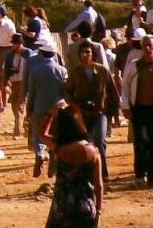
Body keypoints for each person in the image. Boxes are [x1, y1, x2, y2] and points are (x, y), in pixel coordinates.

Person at [42, 102, 103, 228]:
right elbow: (99, 185)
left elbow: (42, 134)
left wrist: (50, 114)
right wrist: (98, 211)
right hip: (85, 206)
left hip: (62, 207)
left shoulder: (60, 149)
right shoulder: (94, 152)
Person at [64, 39, 117, 181]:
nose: (85, 55)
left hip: (100, 112)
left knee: (100, 140)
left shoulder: (102, 70)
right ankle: (87, 173)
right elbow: (67, 91)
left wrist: (113, 113)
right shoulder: (76, 72)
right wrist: (73, 104)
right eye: (82, 52)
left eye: (87, 52)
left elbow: (112, 91)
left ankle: (103, 173)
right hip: (82, 113)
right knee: (85, 142)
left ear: (93, 54)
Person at [26, 37, 68, 179]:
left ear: (41, 53)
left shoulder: (35, 70)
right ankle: (52, 169)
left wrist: (29, 110)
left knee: (38, 135)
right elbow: (65, 90)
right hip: (57, 108)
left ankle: (39, 154)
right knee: (55, 137)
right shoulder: (62, 70)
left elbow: (31, 92)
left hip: (39, 106)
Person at [120, 33, 153, 186]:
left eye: (151, 45)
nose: (148, 47)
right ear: (141, 46)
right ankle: (140, 175)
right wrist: (126, 107)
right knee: (140, 142)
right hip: (139, 109)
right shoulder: (134, 65)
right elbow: (125, 87)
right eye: (146, 45)